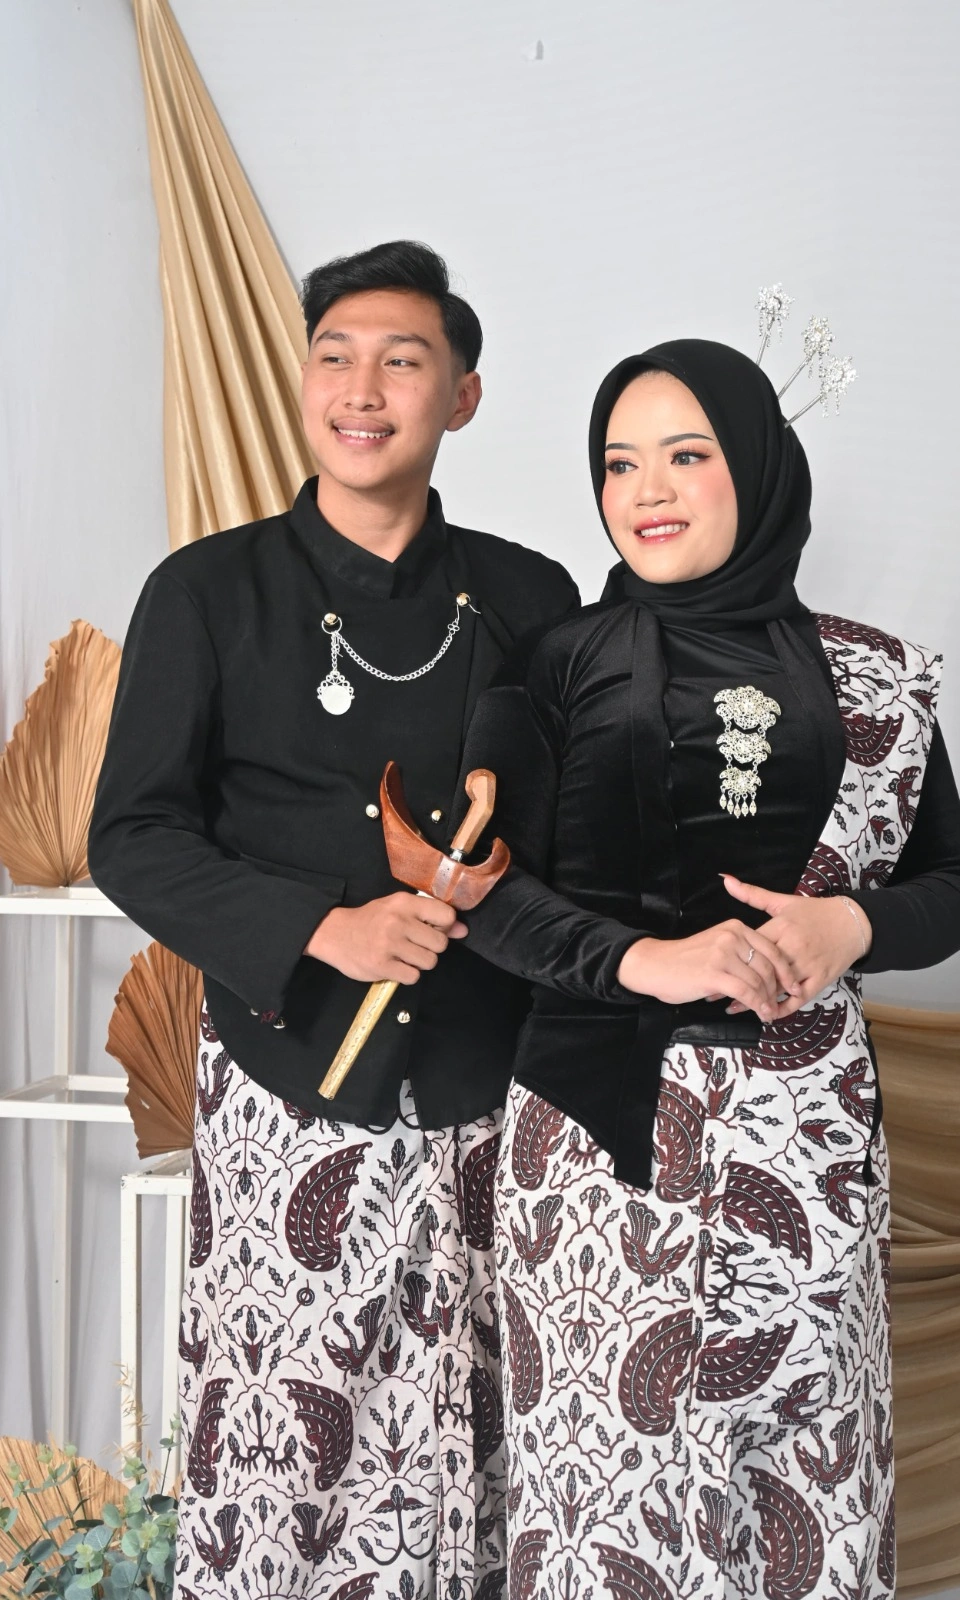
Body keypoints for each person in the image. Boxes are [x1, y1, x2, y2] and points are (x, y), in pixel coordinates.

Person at [454, 339, 960, 1599]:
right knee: (606, 1506)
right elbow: (481, 893)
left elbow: (953, 885)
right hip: (598, 1150)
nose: (645, 489)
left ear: (755, 467)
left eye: (684, 455)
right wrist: (646, 958)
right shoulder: (556, 662)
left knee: (806, 1488)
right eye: (617, 462)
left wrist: (847, 929)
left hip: (807, 1144)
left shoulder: (873, 674)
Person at [88, 240, 578, 1600]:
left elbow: (572, 842)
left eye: (402, 362)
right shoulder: (205, 591)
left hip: (493, 1095)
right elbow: (132, 833)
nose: (363, 390)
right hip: (286, 1077)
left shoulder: (533, 598)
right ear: (303, 381)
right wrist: (323, 928)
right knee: (286, 1451)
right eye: (336, 358)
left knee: (487, 1437)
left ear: (460, 396)